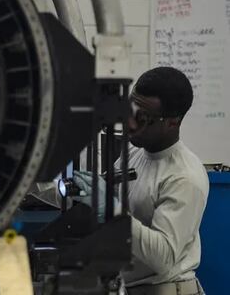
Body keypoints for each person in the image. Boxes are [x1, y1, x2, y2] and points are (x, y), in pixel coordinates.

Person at [73, 67, 208, 295]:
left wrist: (114, 212)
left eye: (142, 118)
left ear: (172, 122)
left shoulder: (185, 176)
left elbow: (162, 257)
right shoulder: (134, 153)